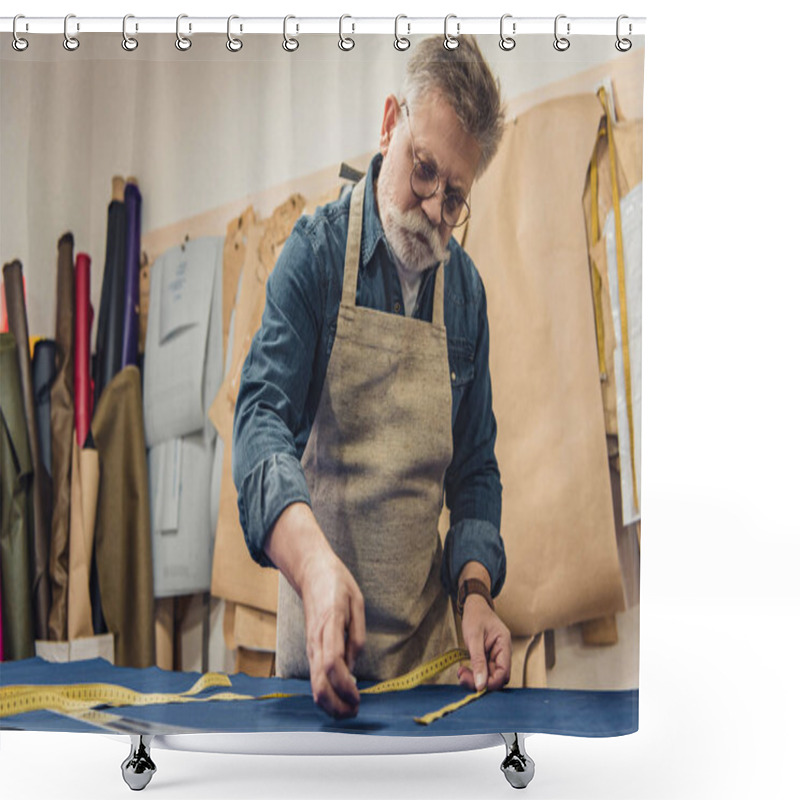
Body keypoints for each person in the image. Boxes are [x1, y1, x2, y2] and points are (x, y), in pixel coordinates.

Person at [233, 35, 510, 719]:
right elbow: (261, 422)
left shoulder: (466, 296)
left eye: (454, 198)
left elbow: (474, 472)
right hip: (319, 660)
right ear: (390, 123)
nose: (432, 212)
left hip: (430, 668)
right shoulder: (314, 255)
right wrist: (315, 568)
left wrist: (475, 593)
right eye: (422, 171)